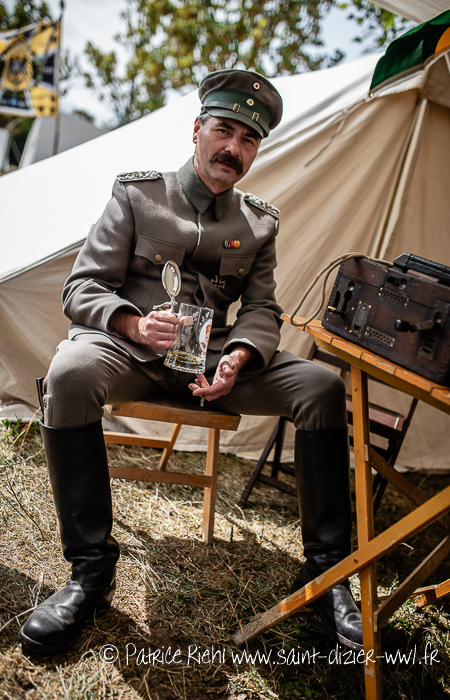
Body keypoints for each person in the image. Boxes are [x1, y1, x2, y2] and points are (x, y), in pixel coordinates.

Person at [18, 69, 362, 654]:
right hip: (133, 354)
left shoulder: (259, 223)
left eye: (248, 140)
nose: (233, 148)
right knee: (69, 373)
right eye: (223, 130)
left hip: (214, 365)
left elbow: (262, 308)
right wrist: (132, 323)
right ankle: (90, 572)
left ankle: (327, 576)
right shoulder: (138, 195)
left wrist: (240, 357)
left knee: (321, 387)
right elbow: (82, 287)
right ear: (197, 129)